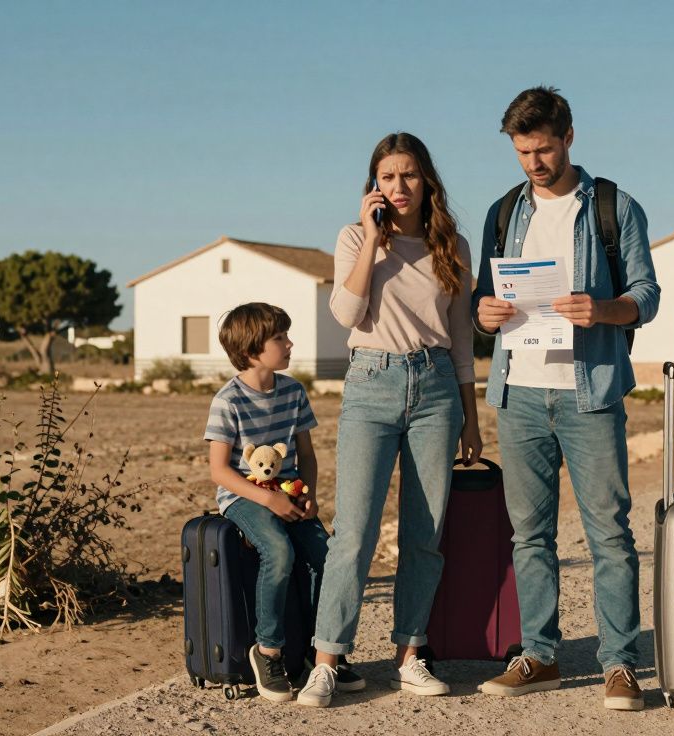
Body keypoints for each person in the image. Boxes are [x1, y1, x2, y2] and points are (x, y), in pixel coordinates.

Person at [471, 87, 660, 711]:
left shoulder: (613, 206)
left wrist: (602, 309)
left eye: (543, 149)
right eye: (522, 152)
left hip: (591, 393)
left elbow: (647, 295)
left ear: (569, 136)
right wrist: (487, 315)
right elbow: (479, 306)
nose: (533, 163)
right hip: (518, 393)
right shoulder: (503, 213)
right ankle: (541, 655)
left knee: (609, 532)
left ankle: (620, 664)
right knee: (530, 536)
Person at [296, 132, 482, 708]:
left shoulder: (452, 245)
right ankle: (328, 659)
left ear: (427, 180)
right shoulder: (355, 237)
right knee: (354, 532)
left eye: (408, 175)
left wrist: (471, 418)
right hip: (371, 385)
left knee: (425, 536)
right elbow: (345, 313)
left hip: (435, 390)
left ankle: (410, 654)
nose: (398, 187)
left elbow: (459, 341)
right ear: (373, 184)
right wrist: (374, 243)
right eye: (387, 176)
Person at [204, 302, 362, 702]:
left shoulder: (293, 390)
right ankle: (268, 650)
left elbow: (306, 455)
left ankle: (318, 652)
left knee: (328, 556)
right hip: (243, 496)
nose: (290, 343)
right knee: (278, 551)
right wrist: (266, 501)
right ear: (253, 348)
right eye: (280, 338)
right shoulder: (228, 400)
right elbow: (221, 472)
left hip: (289, 492)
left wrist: (307, 493)